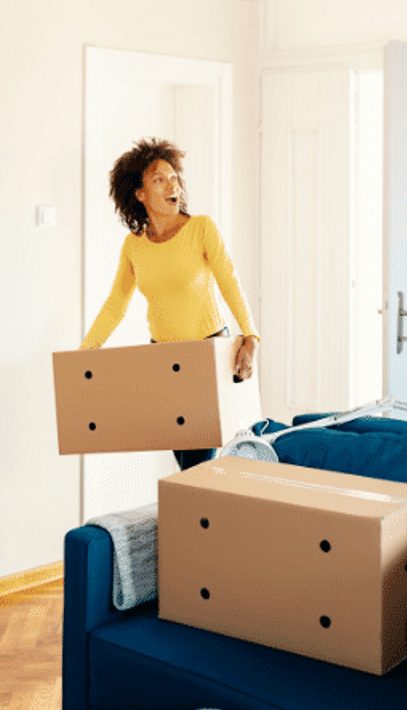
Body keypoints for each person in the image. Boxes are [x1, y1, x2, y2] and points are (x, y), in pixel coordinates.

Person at [81, 138, 260, 470]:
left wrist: (251, 336)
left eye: (174, 177)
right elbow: (116, 304)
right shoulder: (134, 246)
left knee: (196, 465)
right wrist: (86, 351)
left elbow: (230, 282)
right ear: (140, 194)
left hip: (207, 353)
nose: (172, 185)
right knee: (185, 463)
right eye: (159, 180)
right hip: (162, 361)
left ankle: (195, 504)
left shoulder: (201, 228)